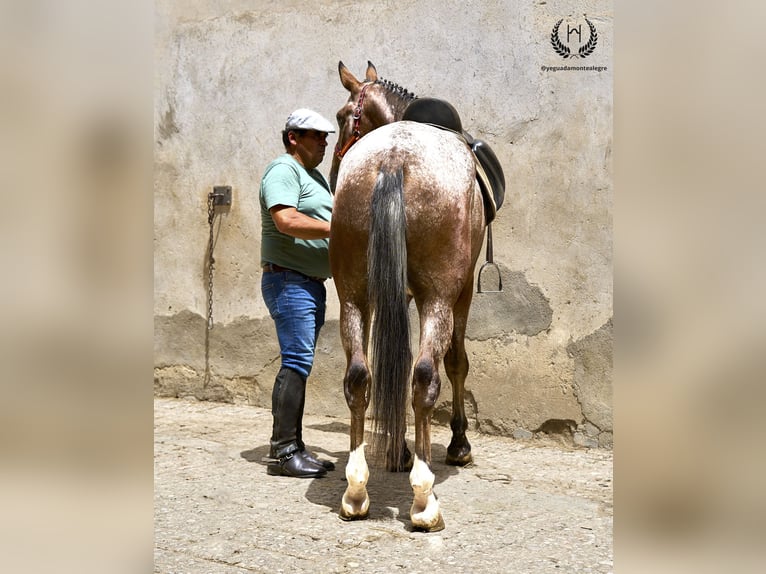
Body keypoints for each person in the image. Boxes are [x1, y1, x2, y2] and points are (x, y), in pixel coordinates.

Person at [259, 108, 336, 478]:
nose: (324, 142)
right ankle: (284, 452)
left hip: (308, 284)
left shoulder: (313, 176)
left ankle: (295, 447)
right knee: (296, 361)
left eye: (326, 137)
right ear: (294, 137)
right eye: (317, 135)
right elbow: (286, 219)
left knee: (299, 361)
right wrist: (340, 228)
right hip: (288, 281)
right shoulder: (283, 170)